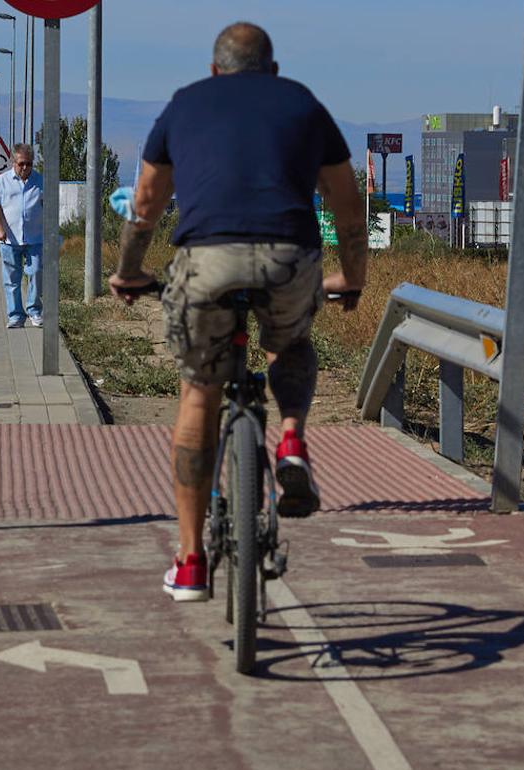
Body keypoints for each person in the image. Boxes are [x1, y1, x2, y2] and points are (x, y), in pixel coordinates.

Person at [107, 22, 368, 602]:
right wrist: (352, 279)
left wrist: (127, 270)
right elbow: (349, 211)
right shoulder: (303, 103)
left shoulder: (185, 105)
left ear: (215, 69)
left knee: (199, 392)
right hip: (288, 257)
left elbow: (145, 208)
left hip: (208, 260)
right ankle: (293, 439)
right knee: (290, 343)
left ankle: (192, 560)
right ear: (271, 70)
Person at [0, 143, 44, 328]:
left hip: (35, 238)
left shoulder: (40, 180)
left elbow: (49, 205)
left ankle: (34, 311)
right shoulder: (2, 181)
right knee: (12, 279)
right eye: (21, 164)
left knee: (35, 272)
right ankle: (16, 315)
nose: (25, 167)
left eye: (28, 163)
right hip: (9, 239)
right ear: (13, 162)